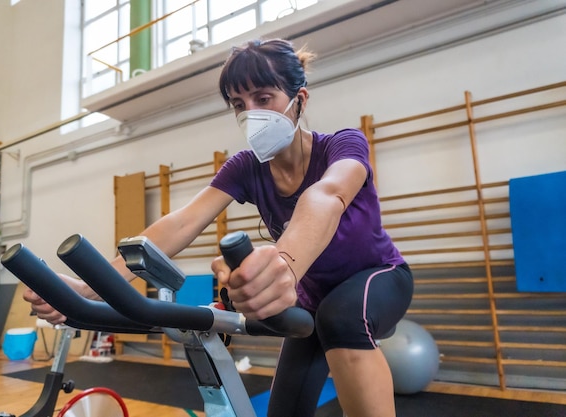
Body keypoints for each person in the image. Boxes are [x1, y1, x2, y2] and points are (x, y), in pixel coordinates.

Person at [25, 38, 413, 417]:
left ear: (300, 100)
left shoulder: (343, 144)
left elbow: (326, 196)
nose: (251, 113)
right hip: (312, 299)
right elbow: (182, 222)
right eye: (239, 105)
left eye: (264, 98)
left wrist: (286, 265)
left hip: (380, 277)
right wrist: (91, 287)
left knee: (341, 317)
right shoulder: (246, 166)